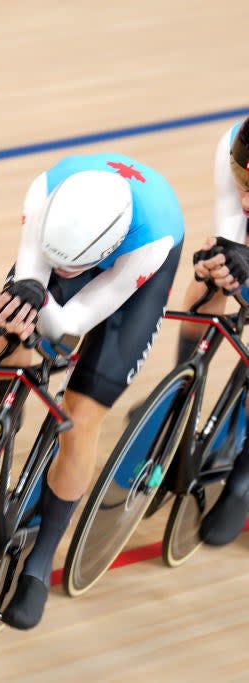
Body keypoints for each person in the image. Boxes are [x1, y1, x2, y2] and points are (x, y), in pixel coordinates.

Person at [0, 153, 184, 630]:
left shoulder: (148, 243)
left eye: (77, 268)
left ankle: (39, 564)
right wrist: (31, 287)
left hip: (131, 280)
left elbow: (73, 322)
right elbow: (33, 273)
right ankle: (5, 426)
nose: (68, 274)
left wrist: (52, 304)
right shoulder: (44, 191)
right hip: (67, 241)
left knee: (80, 417)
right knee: (3, 333)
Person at [179, 116, 249, 547]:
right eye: (243, 180)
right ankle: (182, 389)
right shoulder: (234, 143)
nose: (244, 200)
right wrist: (224, 258)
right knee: (213, 271)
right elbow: (230, 230)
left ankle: (243, 480)